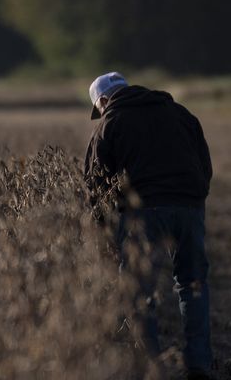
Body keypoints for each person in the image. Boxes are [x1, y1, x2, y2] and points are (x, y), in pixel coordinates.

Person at [83, 72, 215, 380]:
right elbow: (204, 166)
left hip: (144, 212)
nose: (100, 113)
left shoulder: (110, 123)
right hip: (189, 207)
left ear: (104, 100)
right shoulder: (180, 113)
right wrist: (193, 201)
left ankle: (151, 365)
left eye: (98, 108)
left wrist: (103, 230)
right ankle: (199, 364)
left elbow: (96, 185)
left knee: (138, 291)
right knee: (193, 284)